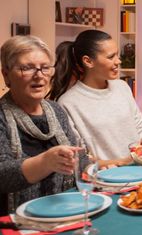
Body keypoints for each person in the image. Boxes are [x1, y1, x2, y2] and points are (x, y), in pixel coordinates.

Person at [0, 36, 81, 215]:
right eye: (27, 68)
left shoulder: (56, 110)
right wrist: (45, 162)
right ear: (6, 74)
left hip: (65, 211)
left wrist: (97, 166)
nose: (39, 76)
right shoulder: (1, 116)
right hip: (17, 222)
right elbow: (2, 175)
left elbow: (76, 158)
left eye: (45, 68)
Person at [50, 30, 142, 164]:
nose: (118, 61)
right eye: (111, 57)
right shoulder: (68, 103)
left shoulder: (122, 87)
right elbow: (79, 158)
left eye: (117, 55)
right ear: (88, 61)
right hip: (107, 179)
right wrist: (124, 162)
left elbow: (141, 128)